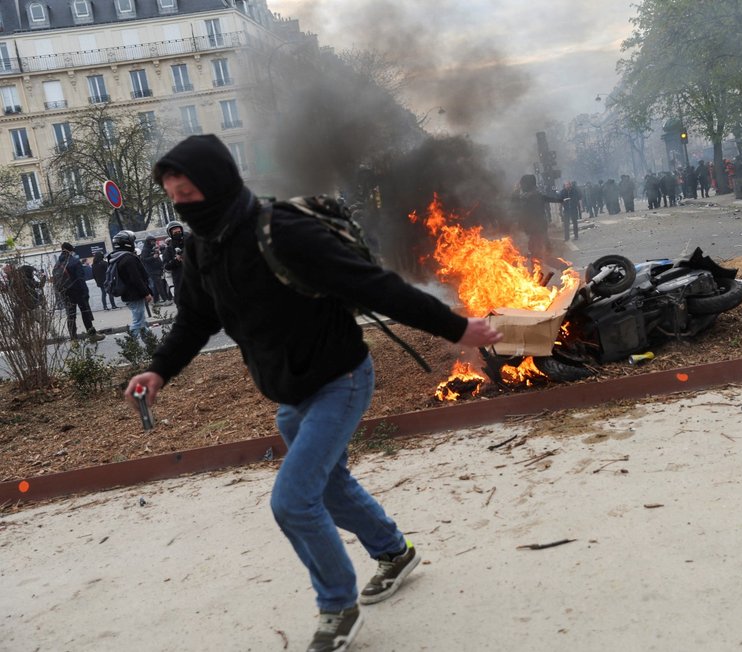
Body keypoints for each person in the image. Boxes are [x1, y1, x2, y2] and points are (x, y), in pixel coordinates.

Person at [123, 134, 503, 652]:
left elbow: (374, 285)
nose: (182, 206)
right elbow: (195, 318)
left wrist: (459, 329)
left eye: (188, 193)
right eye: (173, 196)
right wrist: (159, 371)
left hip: (340, 380)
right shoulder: (202, 246)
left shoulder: (284, 232)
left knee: (293, 501)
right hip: (291, 391)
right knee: (328, 484)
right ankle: (394, 552)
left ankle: (337, 608)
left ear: (215, 185)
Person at [53, 242, 105, 343]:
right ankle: (92, 335)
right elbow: (81, 279)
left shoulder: (58, 263)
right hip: (78, 292)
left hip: (65, 293)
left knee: (71, 315)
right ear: (71, 250)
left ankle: (73, 339)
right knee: (85, 313)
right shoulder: (74, 261)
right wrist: (85, 293)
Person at [108, 231, 154, 339]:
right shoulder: (128, 258)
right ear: (127, 243)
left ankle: (151, 345)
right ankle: (130, 347)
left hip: (128, 295)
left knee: (142, 322)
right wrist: (146, 293)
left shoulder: (118, 257)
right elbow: (136, 279)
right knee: (138, 322)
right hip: (135, 295)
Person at [513, 173, 563, 264]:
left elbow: (525, 213)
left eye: (522, 184)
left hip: (536, 230)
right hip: (536, 230)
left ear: (527, 184)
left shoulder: (531, 197)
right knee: (536, 254)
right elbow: (549, 199)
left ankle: (562, 267)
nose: (521, 186)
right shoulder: (533, 195)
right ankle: (538, 273)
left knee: (538, 255)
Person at [161, 220, 185, 302]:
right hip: (180, 282)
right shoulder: (168, 249)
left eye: (179, 231)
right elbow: (166, 266)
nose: (178, 234)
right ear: (170, 234)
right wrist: (176, 260)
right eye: (175, 233)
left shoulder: (189, 243)